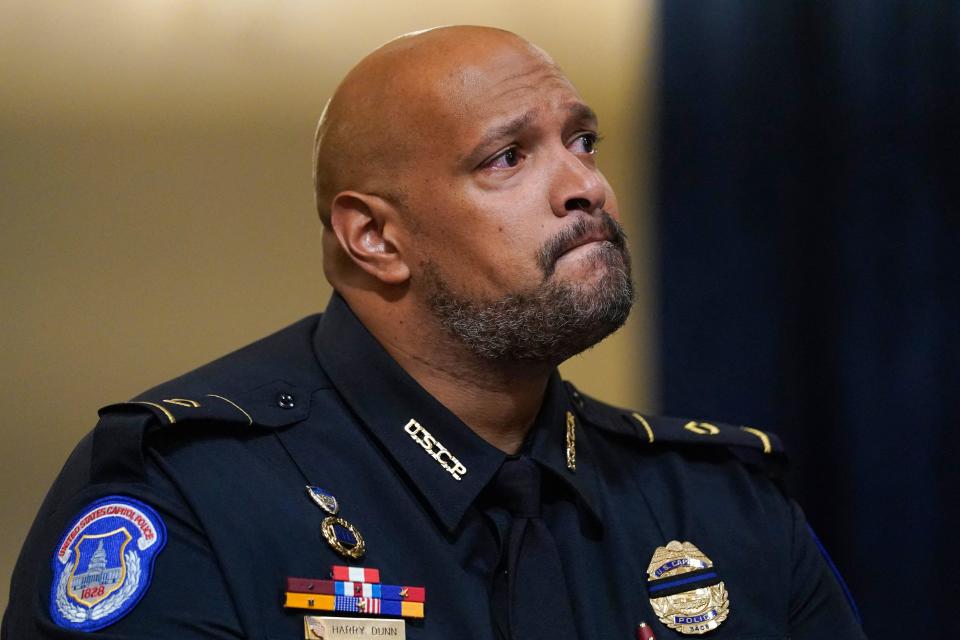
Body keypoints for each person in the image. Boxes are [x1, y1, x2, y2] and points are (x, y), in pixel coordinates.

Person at [3, 26, 865, 640]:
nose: (586, 187)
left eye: (583, 140)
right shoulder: (191, 492)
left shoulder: (719, 501)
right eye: (507, 158)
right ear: (375, 238)